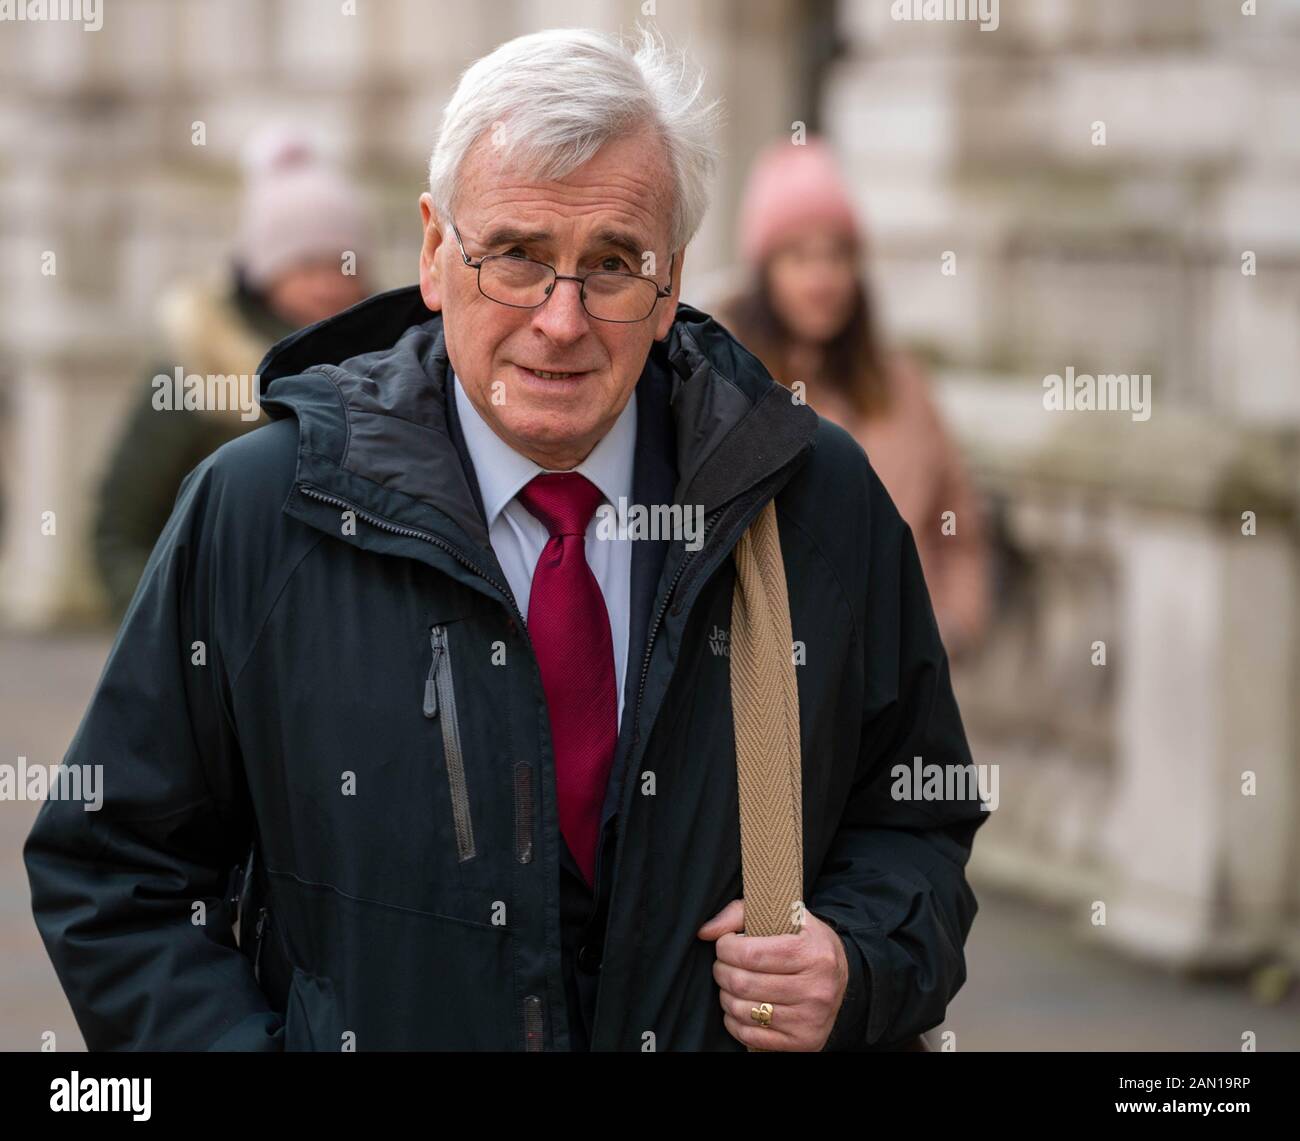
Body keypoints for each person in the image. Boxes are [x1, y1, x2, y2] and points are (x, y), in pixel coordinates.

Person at [24, 26, 987, 1052]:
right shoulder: (259, 512)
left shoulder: (813, 501)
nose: (560, 320)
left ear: (670, 286)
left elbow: (914, 818)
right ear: (435, 252)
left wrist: (860, 961)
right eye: (517, 257)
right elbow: (114, 872)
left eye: (612, 264)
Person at [716, 138, 991, 659]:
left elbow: (961, 527)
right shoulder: (727, 391)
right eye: (799, 256)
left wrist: (950, 629)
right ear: (764, 272)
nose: (823, 278)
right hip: (777, 697)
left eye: (837, 255)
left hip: (901, 691)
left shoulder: (903, 386)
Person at [92, 127, 371, 619]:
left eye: (343, 264)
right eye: (306, 265)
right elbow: (121, 530)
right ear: (264, 270)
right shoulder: (198, 364)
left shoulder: (386, 360)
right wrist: (172, 632)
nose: (329, 285)